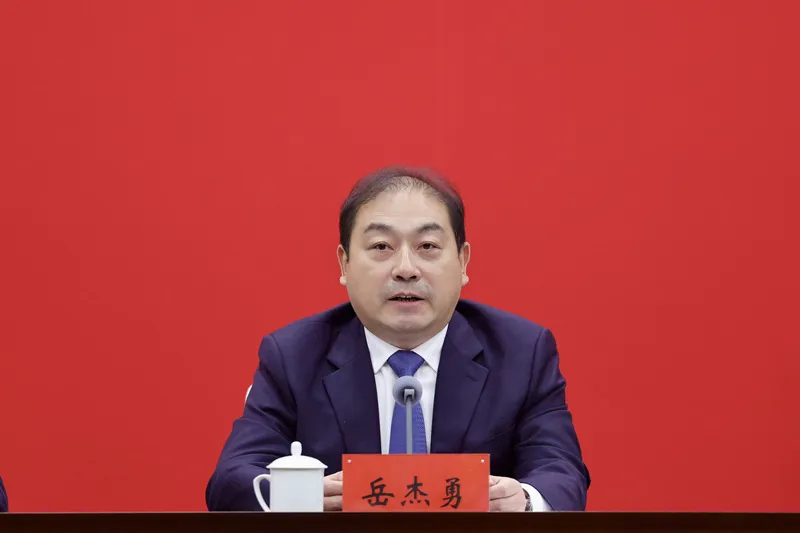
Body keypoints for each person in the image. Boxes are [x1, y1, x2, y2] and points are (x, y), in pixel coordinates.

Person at [206, 166, 590, 512]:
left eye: (428, 247)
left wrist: (524, 501)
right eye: (381, 247)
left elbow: (561, 472)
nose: (406, 269)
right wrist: (300, 497)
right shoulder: (293, 356)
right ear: (344, 263)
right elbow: (231, 481)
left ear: (463, 261)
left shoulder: (522, 353)